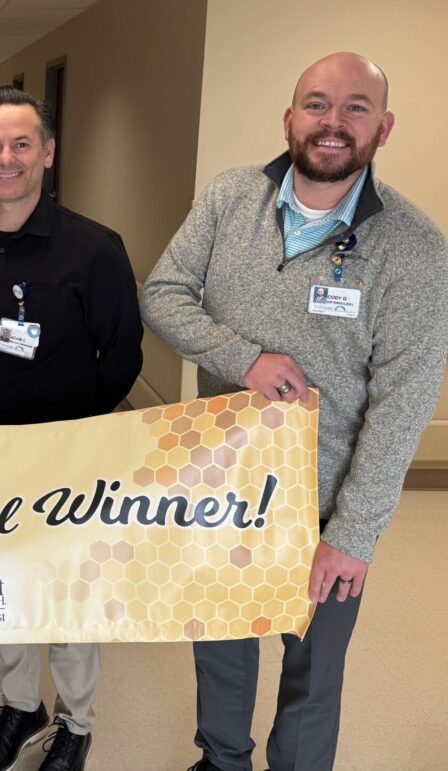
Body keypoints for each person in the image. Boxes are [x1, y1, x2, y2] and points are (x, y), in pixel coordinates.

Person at [140, 52, 448, 771]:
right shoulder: (228, 199)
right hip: (221, 489)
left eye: (354, 108)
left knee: (312, 672)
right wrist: (241, 356)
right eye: (316, 104)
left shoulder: (413, 248)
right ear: (289, 117)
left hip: (324, 505)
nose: (332, 123)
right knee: (219, 641)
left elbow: (405, 402)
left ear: (384, 126)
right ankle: (222, 759)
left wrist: (355, 532)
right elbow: (162, 293)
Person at [0, 87, 143, 771]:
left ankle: (77, 722)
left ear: (47, 152)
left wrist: (76, 432)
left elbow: (123, 354)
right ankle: (21, 704)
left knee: (70, 596)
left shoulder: (95, 248)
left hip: (66, 455)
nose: (7, 158)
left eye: (22, 143)